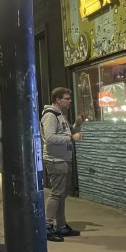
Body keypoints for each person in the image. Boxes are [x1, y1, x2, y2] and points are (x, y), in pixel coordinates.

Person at [41, 87, 84, 242]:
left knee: (61, 194)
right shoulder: (50, 116)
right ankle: (46, 227)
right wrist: (72, 138)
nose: (69, 101)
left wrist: (76, 125)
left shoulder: (60, 116)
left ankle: (61, 226)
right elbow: (50, 137)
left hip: (63, 159)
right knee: (56, 193)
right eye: (67, 98)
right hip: (55, 160)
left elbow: (68, 133)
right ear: (58, 100)